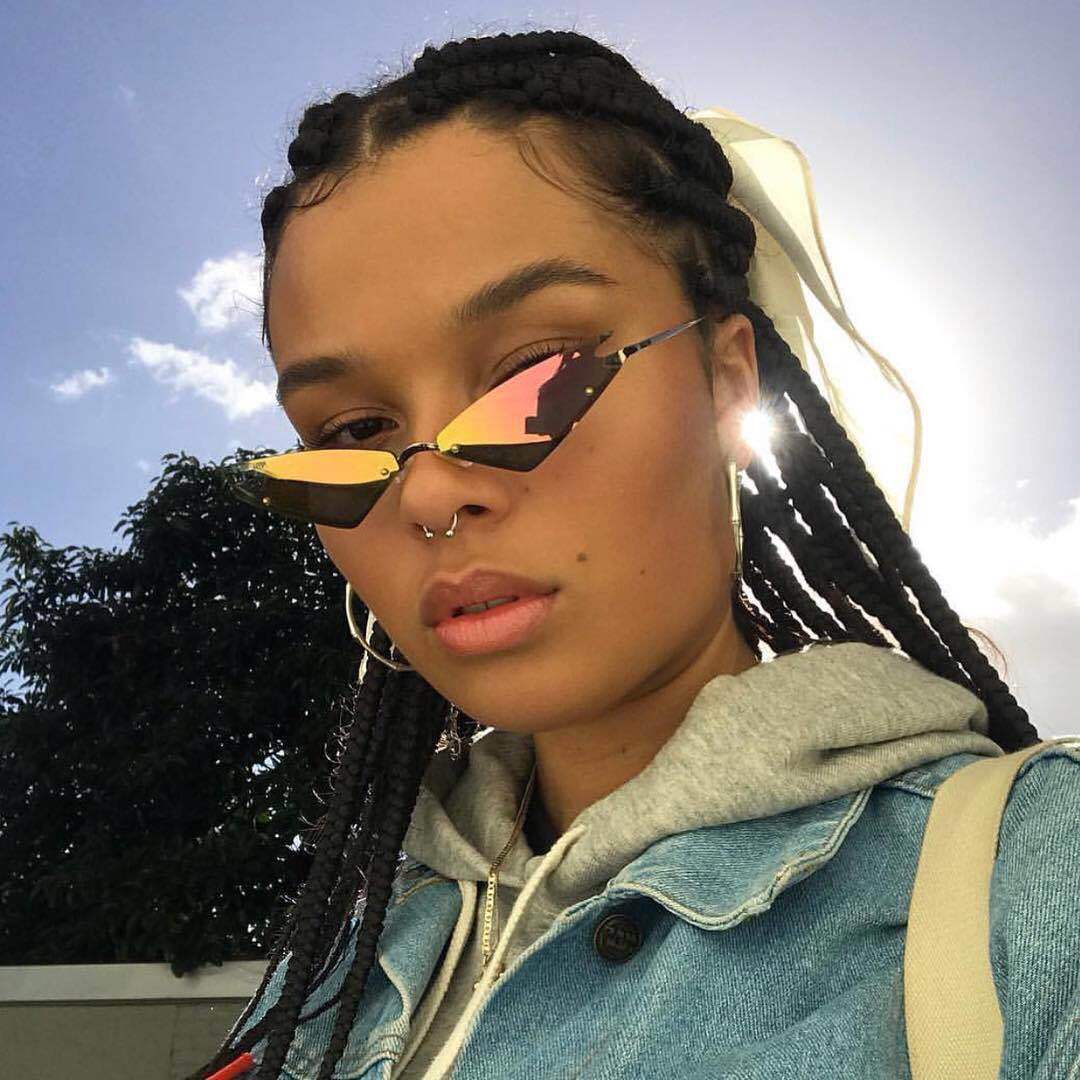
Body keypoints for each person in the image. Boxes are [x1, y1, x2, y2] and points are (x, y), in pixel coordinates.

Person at [193, 29, 1078, 1080]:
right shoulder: (340, 962)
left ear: (728, 380)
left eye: (533, 377)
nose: (426, 491)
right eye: (352, 433)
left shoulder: (1036, 880)